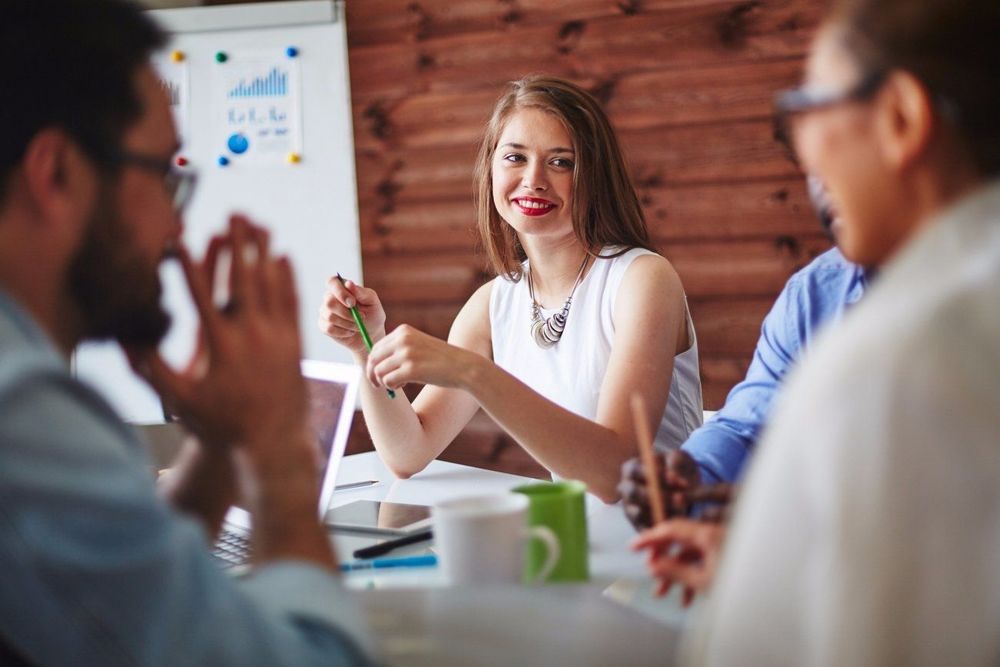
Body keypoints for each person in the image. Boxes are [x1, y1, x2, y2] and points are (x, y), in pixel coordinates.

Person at [0, 1, 371, 664]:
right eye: (163, 177)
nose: (176, 232)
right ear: (55, 173)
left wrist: (221, 442)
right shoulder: (20, 409)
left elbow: (123, 606)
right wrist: (276, 450)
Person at [680, 0, 1000, 663]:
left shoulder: (895, 361)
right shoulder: (823, 300)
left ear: (901, 119)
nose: (806, 157)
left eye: (804, 109)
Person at [320, 75, 702, 502]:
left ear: (595, 176)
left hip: (676, 540)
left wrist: (475, 374)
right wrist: (366, 345)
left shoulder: (643, 279)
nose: (533, 180)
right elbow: (408, 452)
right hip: (581, 541)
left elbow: (617, 475)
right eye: (515, 157)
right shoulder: (494, 302)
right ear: (491, 169)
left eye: (561, 162)